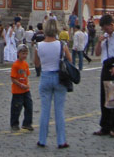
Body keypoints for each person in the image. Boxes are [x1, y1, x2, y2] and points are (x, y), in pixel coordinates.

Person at [34, 18, 71, 148]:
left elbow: (36, 64)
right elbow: (69, 60)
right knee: (59, 111)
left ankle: (42, 140)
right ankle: (61, 141)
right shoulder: (62, 45)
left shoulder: (38, 46)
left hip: (45, 77)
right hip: (59, 78)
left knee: (45, 110)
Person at [10, 44, 33, 131]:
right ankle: (14, 124)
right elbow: (13, 78)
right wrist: (20, 85)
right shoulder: (15, 65)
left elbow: (27, 76)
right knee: (16, 108)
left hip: (26, 90)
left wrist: (28, 84)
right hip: (17, 91)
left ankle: (27, 123)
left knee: (29, 106)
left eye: (26, 53)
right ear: (18, 53)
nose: (25, 55)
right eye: (23, 53)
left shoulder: (25, 64)